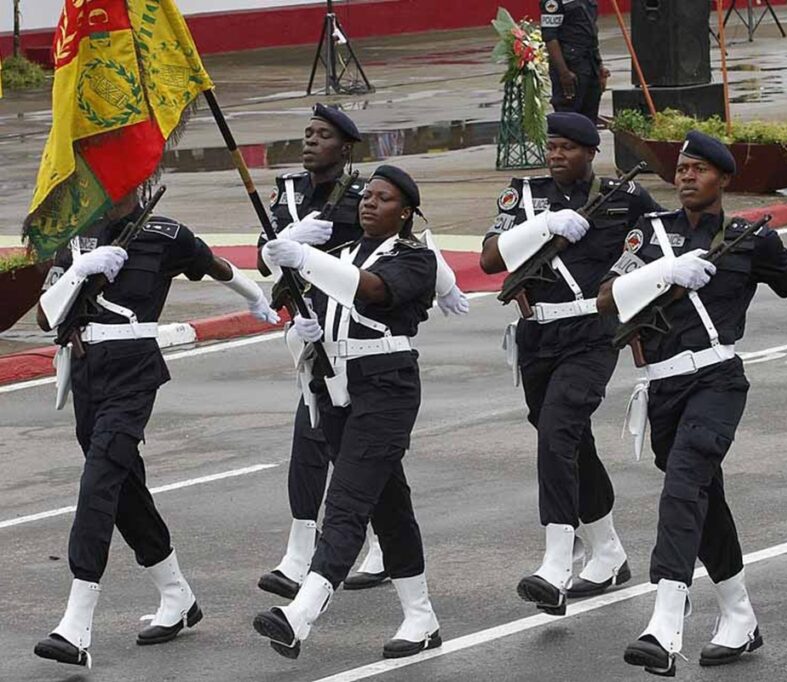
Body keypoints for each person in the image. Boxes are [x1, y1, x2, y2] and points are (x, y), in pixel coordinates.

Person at [595, 131, 787, 676]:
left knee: (684, 485)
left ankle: (666, 620)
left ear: (723, 180)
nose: (687, 176)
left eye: (699, 169)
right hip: (663, 388)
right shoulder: (651, 234)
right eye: (682, 168)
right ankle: (739, 617)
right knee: (703, 501)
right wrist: (664, 271)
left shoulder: (748, 239)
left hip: (717, 380)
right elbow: (605, 302)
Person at [33, 191, 277, 668]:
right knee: (124, 488)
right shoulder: (78, 238)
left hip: (133, 372)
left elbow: (212, 263)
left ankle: (76, 625)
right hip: (86, 375)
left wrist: (254, 297)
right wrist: (82, 269)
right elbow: (46, 316)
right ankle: (176, 595)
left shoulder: (166, 235)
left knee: (99, 483)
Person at [256, 105, 468, 601]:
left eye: (322, 135)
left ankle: (320, 579)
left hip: (373, 336)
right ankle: (301, 549)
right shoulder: (289, 193)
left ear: (344, 147)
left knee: (359, 472)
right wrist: (285, 246)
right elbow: (274, 261)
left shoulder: (360, 196)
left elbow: (394, 261)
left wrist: (445, 281)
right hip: (321, 334)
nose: (310, 142)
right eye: (307, 133)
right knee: (319, 446)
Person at [253, 165, 443, 661]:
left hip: (386, 388)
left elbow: (373, 291)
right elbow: (302, 308)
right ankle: (421, 617)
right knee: (388, 506)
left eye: (383, 199)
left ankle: (300, 614)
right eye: (367, 196)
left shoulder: (415, 258)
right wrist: (303, 331)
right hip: (334, 387)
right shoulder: (339, 253)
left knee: (346, 501)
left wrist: (304, 258)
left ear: (404, 213)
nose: (369, 204)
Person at [480, 112, 661, 615]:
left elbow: (663, 240)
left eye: (566, 148)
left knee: (557, 431)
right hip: (539, 332)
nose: (556, 155)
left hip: (592, 333)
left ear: (590, 153)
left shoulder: (625, 197)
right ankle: (607, 552)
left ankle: (556, 562)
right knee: (570, 441)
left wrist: (628, 275)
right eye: (551, 147)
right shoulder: (526, 196)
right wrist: (542, 226)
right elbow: (492, 259)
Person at [540, 0, 610, 123]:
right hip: (570, 66)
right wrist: (564, 73)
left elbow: (591, 33)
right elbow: (550, 38)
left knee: (589, 120)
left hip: (590, 63)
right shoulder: (553, 2)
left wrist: (600, 66)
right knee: (569, 119)